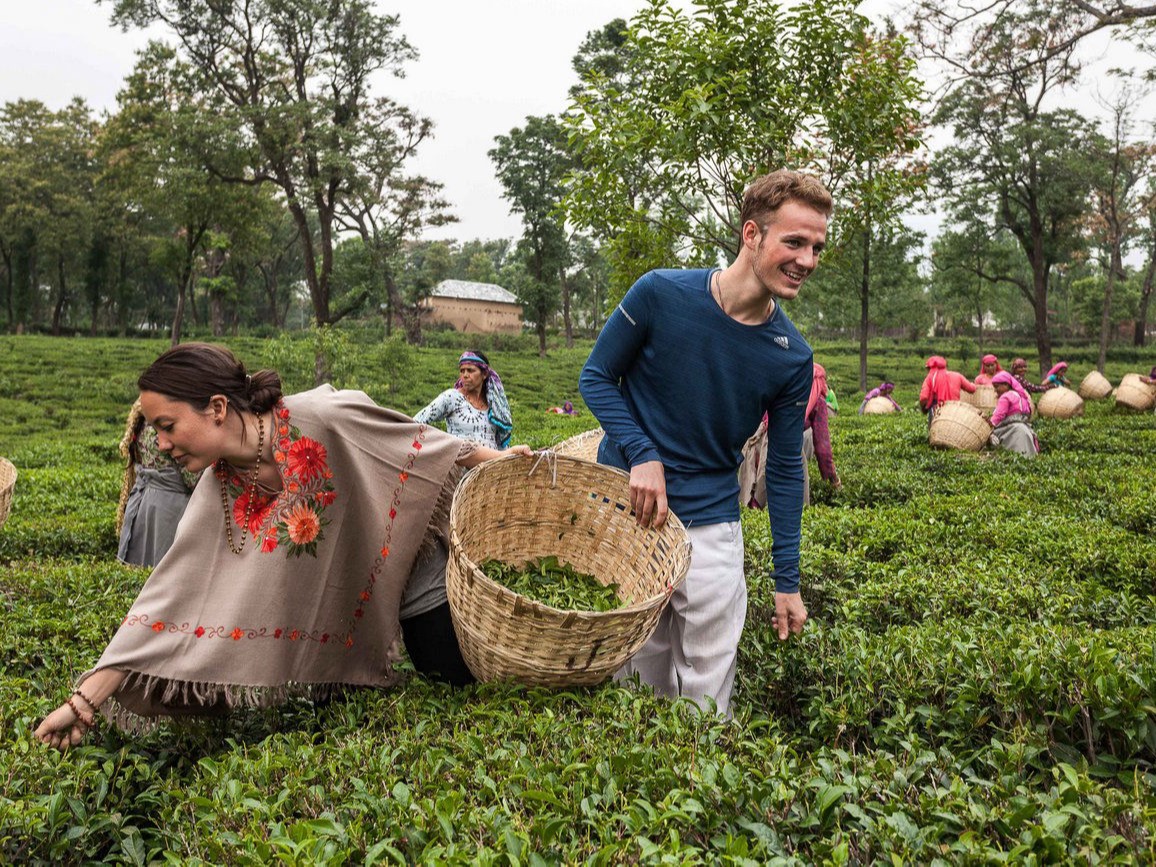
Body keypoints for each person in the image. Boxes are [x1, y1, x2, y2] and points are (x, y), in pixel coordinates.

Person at [34, 343, 531, 750]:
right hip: (346, 614)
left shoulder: (319, 416)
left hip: (416, 579)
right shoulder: (220, 484)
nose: (160, 444)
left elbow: (419, 439)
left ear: (217, 409)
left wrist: (503, 459)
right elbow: (173, 589)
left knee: (460, 693)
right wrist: (85, 701)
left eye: (167, 425)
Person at [579, 169, 825, 715]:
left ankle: (699, 793)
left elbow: (785, 470)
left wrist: (788, 582)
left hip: (713, 529)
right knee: (635, 683)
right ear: (751, 234)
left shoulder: (792, 355)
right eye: (794, 242)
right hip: (627, 511)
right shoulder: (660, 293)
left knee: (707, 695)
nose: (807, 260)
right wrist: (642, 453)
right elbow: (596, 376)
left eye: (816, 247)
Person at [116, 400, 202, 567]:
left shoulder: (141, 426)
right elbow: (192, 478)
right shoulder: (165, 432)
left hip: (145, 504)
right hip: (169, 508)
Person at [414, 350, 513, 448]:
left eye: (470, 370)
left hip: (491, 462)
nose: (465, 375)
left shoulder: (494, 405)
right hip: (460, 461)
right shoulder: (451, 397)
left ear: (484, 374)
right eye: (462, 371)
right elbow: (417, 421)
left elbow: (501, 444)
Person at [989, 371, 1040, 457]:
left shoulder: (1005, 397)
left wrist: (989, 426)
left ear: (1006, 385)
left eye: (997, 387)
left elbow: (998, 416)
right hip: (1025, 429)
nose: (995, 390)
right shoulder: (1021, 396)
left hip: (1011, 429)